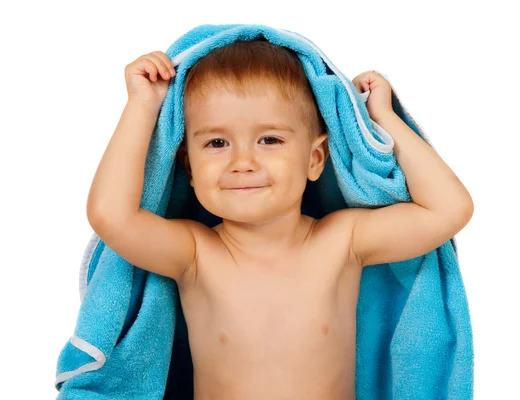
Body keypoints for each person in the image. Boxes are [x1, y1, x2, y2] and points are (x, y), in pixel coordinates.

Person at [85, 40, 474, 399]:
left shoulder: (343, 241)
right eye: (216, 143)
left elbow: (448, 210)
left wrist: (383, 118)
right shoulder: (195, 253)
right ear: (189, 166)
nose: (242, 163)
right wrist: (142, 105)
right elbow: (112, 216)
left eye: (269, 140)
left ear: (315, 159)